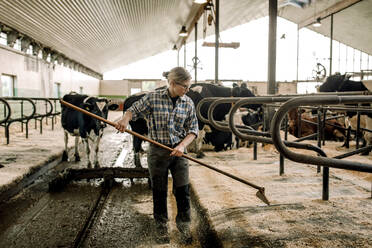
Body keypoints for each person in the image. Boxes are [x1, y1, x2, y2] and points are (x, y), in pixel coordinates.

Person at [115, 67, 198, 244]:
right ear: (173, 84)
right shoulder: (153, 98)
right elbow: (133, 109)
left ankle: (184, 226)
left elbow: (193, 130)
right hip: (157, 152)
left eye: (188, 86)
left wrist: (182, 146)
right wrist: (124, 119)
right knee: (159, 191)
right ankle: (161, 227)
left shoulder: (188, 102)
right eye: (185, 86)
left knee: (182, 191)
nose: (187, 90)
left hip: (179, 152)